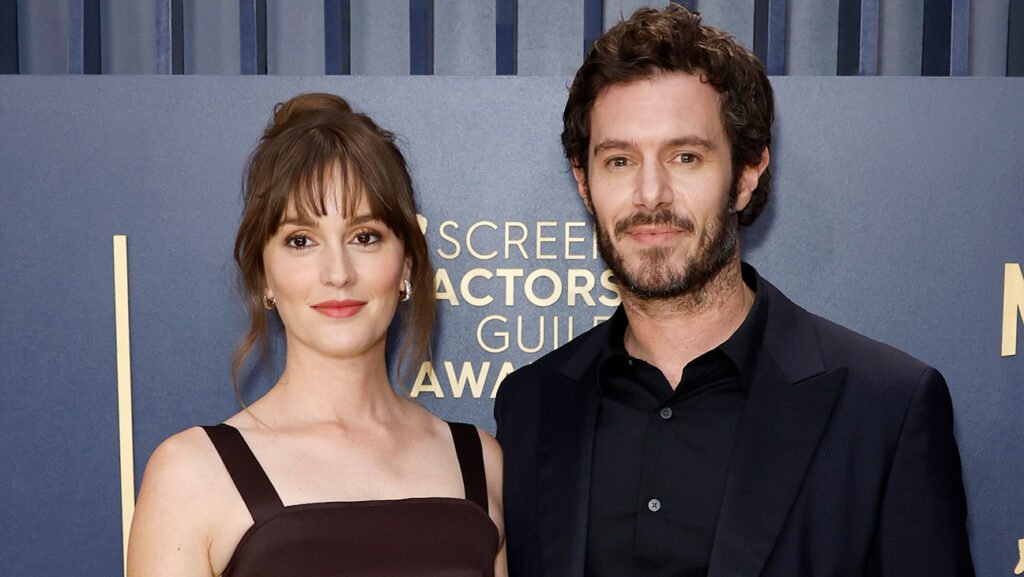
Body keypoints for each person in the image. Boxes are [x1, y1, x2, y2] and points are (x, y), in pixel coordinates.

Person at [494, 6, 973, 577]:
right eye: (619, 160)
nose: (651, 193)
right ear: (584, 181)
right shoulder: (531, 405)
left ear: (747, 174)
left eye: (686, 157)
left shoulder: (885, 408)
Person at [128, 93, 506, 577]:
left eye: (364, 237)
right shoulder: (191, 473)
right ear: (264, 274)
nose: (338, 273)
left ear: (407, 263)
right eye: (301, 241)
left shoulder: (479, 464)